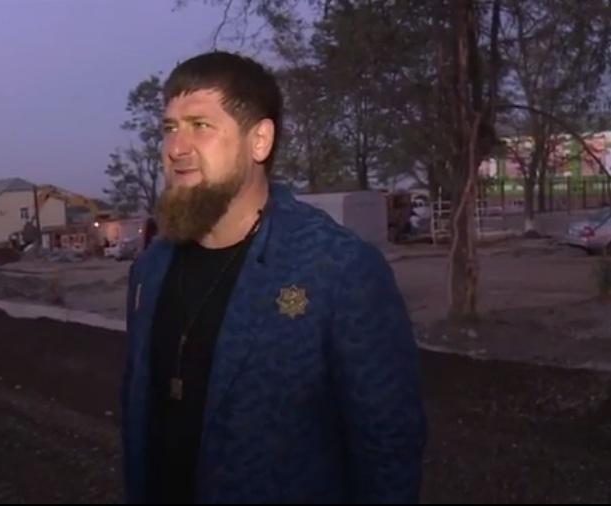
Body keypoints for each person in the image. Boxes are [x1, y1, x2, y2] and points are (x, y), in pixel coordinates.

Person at [121, 51, 426, 503]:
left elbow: (388, 448)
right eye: (169, 128)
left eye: (200, 126)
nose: (175, 148)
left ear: (259, 141)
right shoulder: (150, 270)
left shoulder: (338, 269)